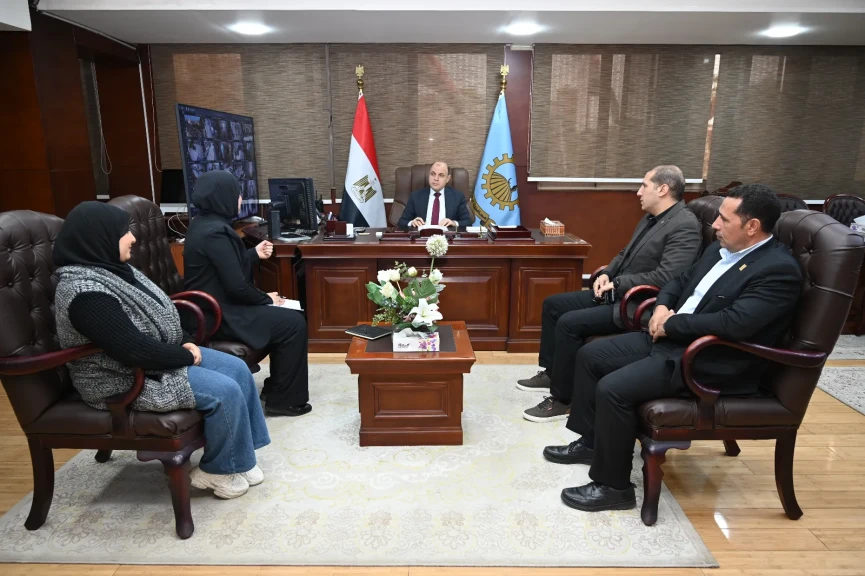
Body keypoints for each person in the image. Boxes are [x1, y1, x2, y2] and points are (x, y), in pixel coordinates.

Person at [545, 184, 802, 512]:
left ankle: (613, 488)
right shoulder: (720, 249)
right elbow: (679, 281)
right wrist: (663, 307)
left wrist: (672, 324)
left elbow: (734, 324)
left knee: (613, 389)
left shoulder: (777, 270)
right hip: (673, 339)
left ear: (752, 226)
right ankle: (592, 444)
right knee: (591, 356)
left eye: (724, 219)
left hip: (709, 359)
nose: (715, 225)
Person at [53, 202, 270, 500]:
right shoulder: (85, 293)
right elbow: (131, 350)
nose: (132, 238)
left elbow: (161, 309)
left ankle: (239, 458)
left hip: (154, 359)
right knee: (224, 391)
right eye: (124, 233)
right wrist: (185, 356)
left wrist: (184, 340)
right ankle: (219, 470)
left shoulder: (116, 269)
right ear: (99, 239)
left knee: (237, 369)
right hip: (123, 379)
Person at [518, 165, 701, 423]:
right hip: (618, 292)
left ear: (663, 189)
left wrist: (618, 283)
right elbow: (625, 253)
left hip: (638, 304)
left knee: (569, 323)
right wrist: (608, 273)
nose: (638, 192)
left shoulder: (685, 226)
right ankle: (553, 372)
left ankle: (563, 400)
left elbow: (667, 277)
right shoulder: (651, 217)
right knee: (553, 305)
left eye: (644, 185)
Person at [182, 170, 311, 417]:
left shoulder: (203, 223)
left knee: (287, 317)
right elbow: (237, 287)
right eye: (237, 193)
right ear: (223, 196)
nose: (240, 198)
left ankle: (276, 388)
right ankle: (284, 400)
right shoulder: (216, 232)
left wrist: (252, 254)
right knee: (293, 323)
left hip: (212, 306)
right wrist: (267, 299)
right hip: (217, 314)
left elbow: (223, 266)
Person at [397, 161, 474, 228]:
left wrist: (454, 223)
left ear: (447, 179)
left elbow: (467, 222)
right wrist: (412, 223)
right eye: (432, 174)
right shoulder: (415, 196)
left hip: (447, 238)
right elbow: (402, 222)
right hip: (422, 237)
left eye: (441, 175)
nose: (436, 178)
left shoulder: (458, 197)